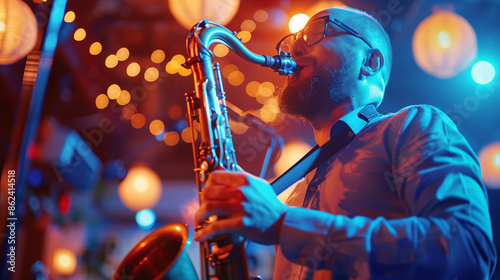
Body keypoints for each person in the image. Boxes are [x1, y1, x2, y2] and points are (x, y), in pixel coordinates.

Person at [193, 6, 497, 280]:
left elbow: (468, 250)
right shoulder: (297, 190)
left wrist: (284, 224)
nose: (295, 46)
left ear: (370, 62)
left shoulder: (413, 126)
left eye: (317, 32)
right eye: (294, 37)